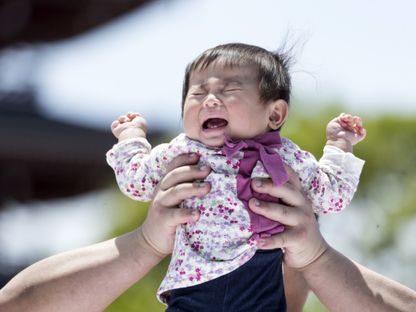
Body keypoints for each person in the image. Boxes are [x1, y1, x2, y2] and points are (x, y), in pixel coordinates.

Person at [106, 43, 366, 309]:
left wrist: (339, 145)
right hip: (193, 285)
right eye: (198, 92)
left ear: (275, 114)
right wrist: (132, 138)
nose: (209, 100)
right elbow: (136, 183)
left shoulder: (287, 158)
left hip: (260, 281)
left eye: (229, 90)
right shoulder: (180, 151)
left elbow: (331, 197)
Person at [1, 153, 415, 312]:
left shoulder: (306, 260)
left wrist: (318, 258)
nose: (232, 240)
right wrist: (145, 244)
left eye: (266, 214)